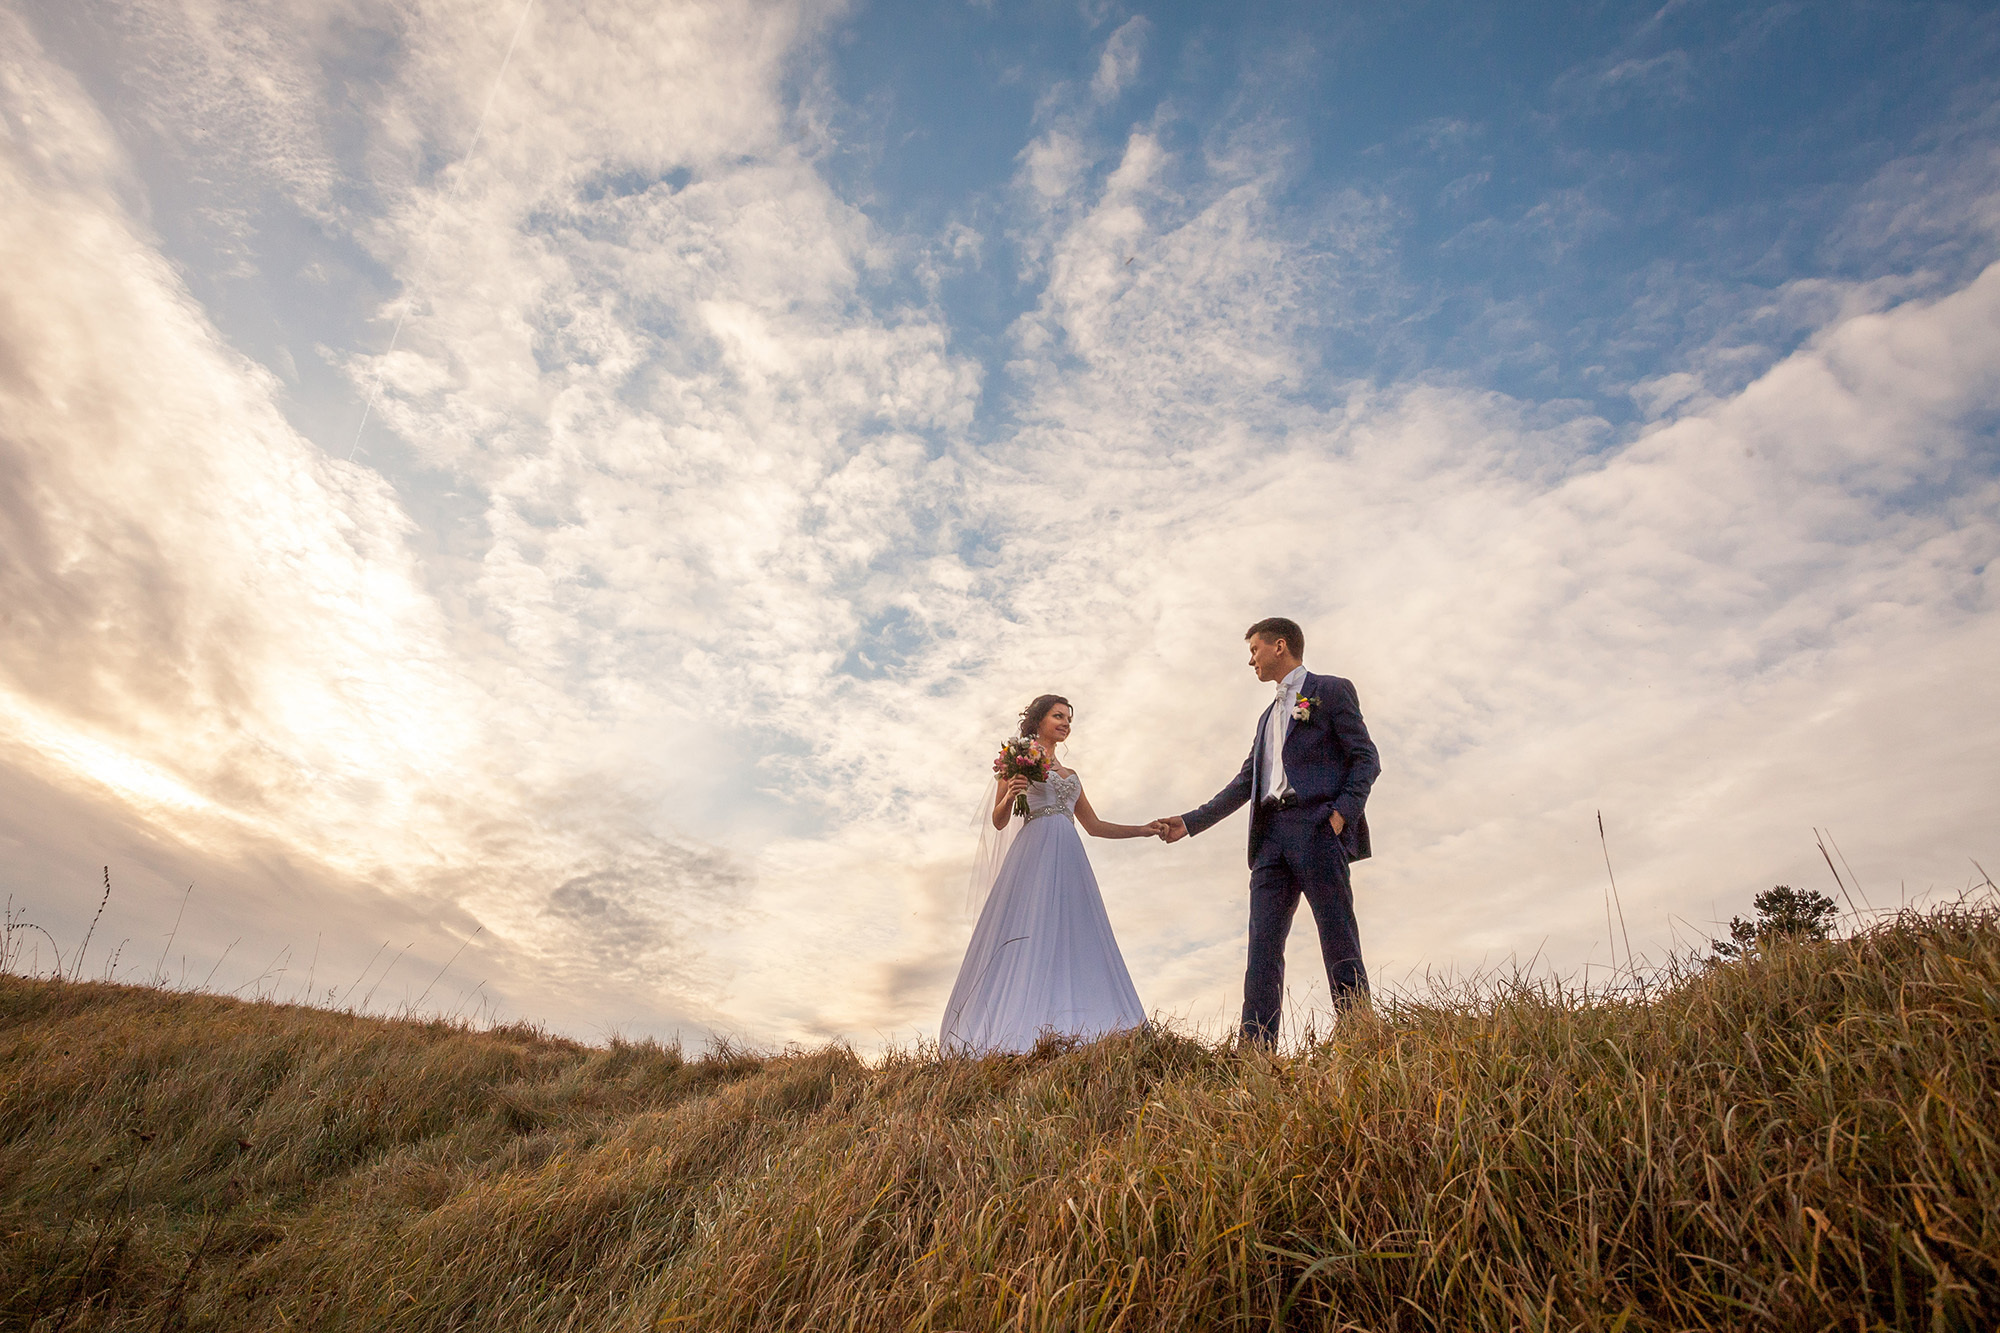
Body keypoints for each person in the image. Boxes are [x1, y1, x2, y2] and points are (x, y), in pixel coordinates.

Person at [1156, 617, 1381, 1046]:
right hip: (1270, 840)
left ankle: (1360, 1036)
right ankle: (1255, 1050)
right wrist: (1189, 823)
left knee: (1336, 932)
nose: (1251, 660)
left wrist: (1340, 815)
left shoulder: (1330, 690)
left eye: (1254, 650)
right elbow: (1246, 782)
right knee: (1262, 947)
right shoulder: (1265, 717)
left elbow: (1366, 759)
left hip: (1317, 827)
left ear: (1280, 646)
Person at [941, 695, 1156, 1054]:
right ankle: (1021, 1023)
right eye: (1058, 716)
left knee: (1075, 931)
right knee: (1032, 928)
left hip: (1070, 853)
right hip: (1035, 850)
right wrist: (1011, 793)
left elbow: (1095, 825)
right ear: (1039, 720)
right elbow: (998, 821)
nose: (1066, 723)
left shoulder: (1071, 776)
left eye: (1069, 719)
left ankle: (1079, 1020)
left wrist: (1143, 829)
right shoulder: (1018, 759)